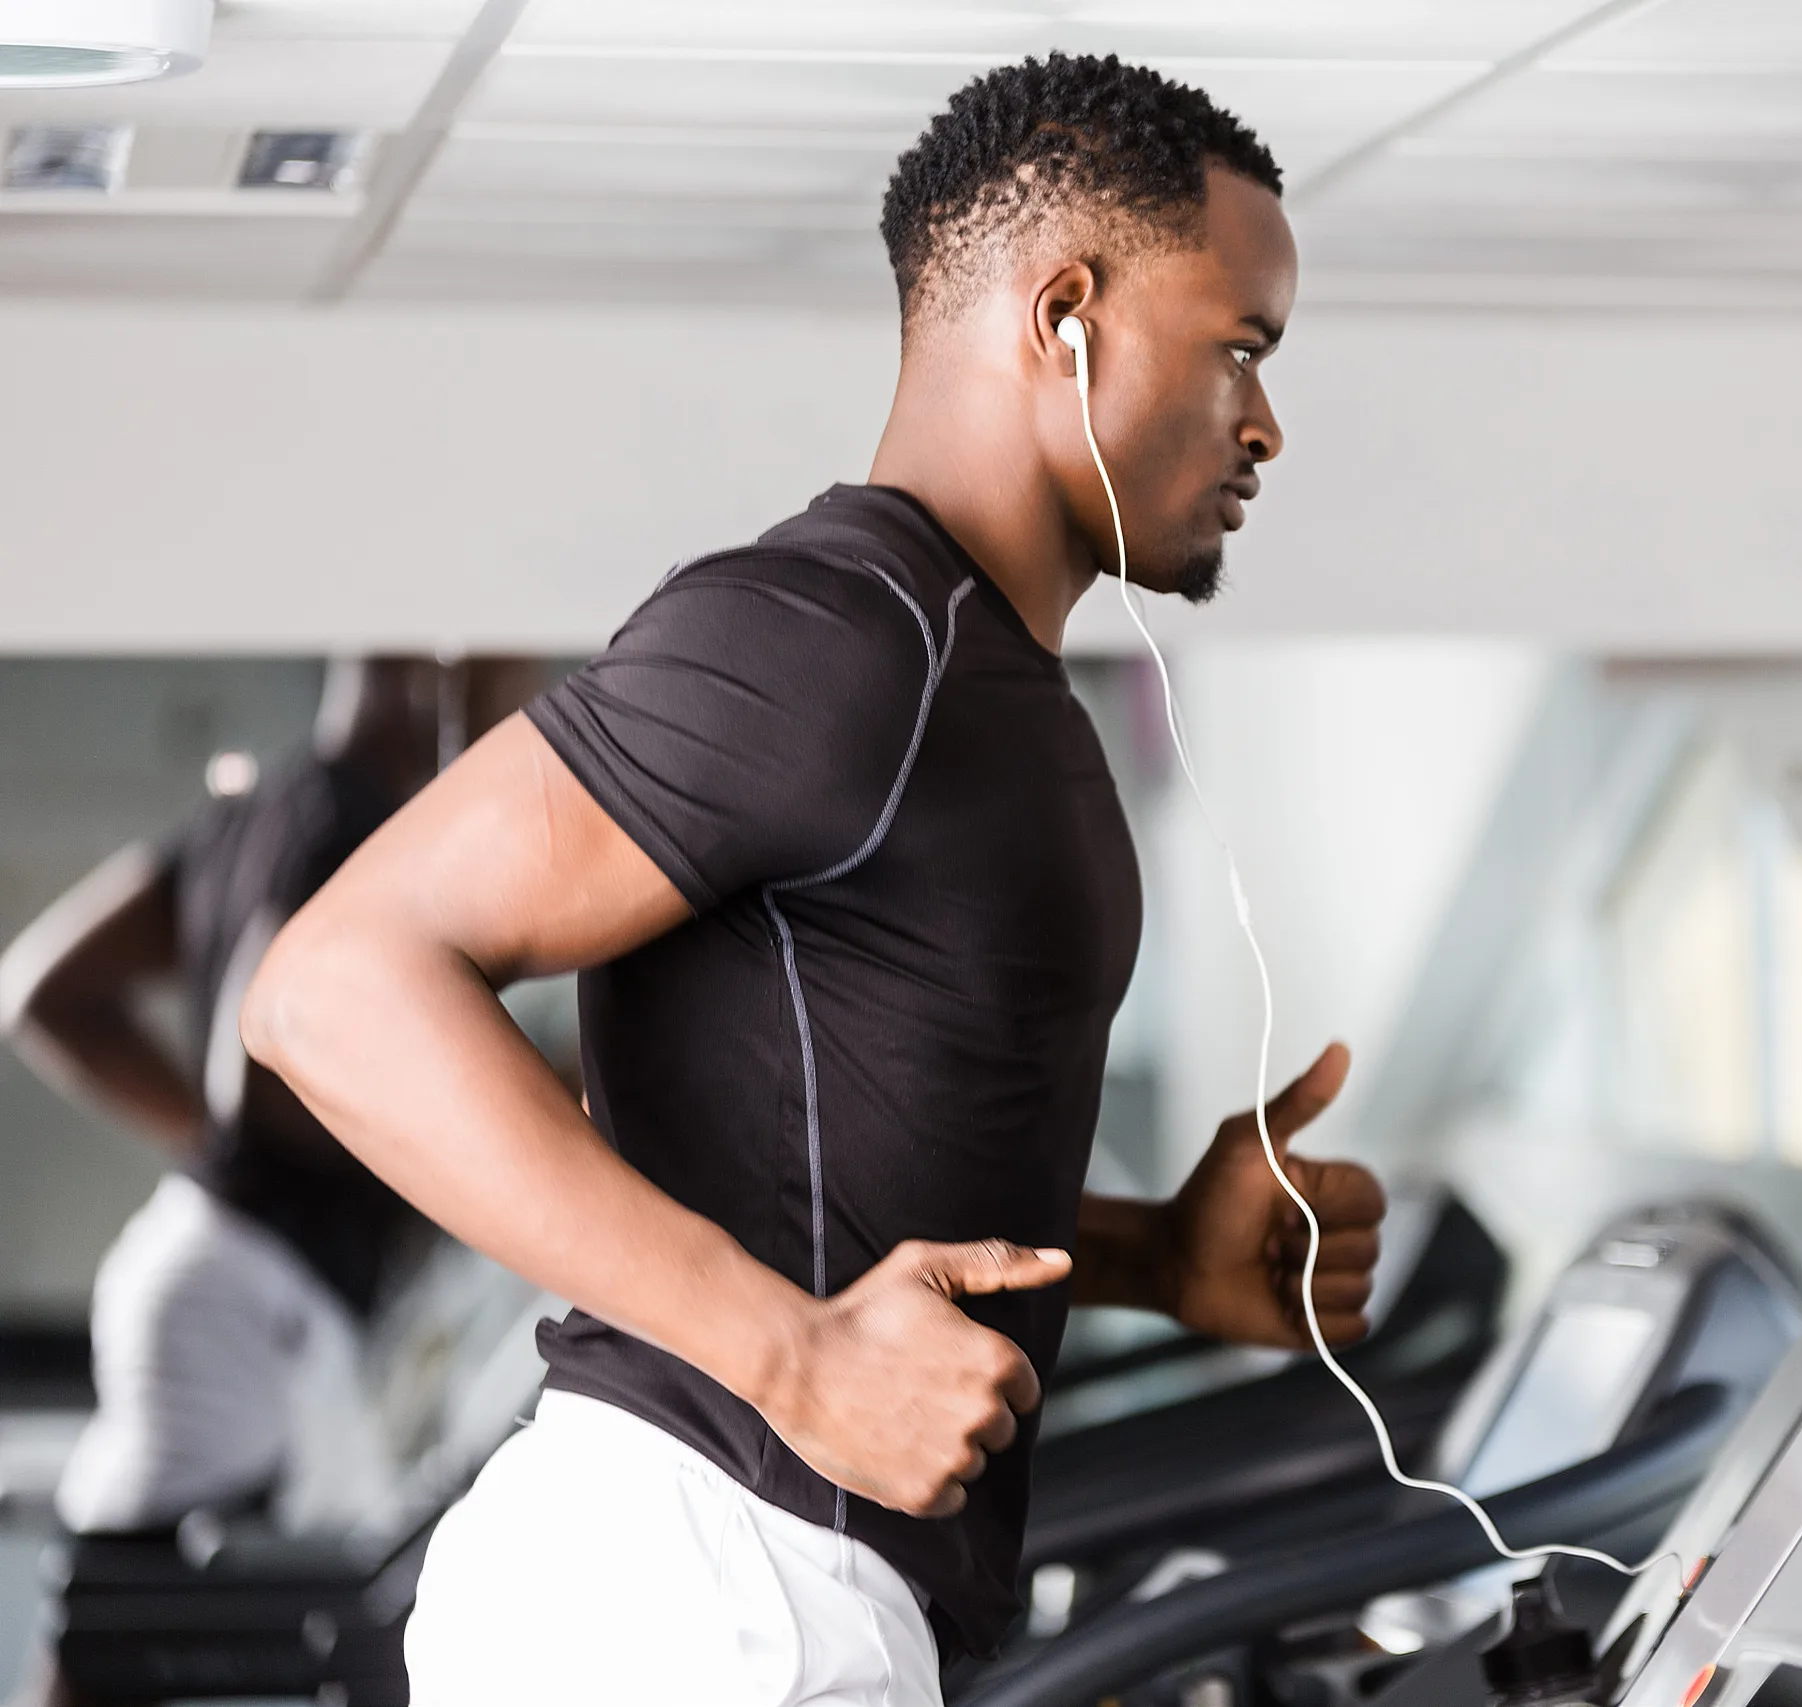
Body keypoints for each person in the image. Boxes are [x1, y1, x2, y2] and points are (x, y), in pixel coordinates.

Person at [242, 52, 1385, 1707]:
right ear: (1065, 313)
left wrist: (1151, 1260)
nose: (1266, 422)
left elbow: (822, 1137)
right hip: (708, 1593)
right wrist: (793, 1355)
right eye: (1239, 351)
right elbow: (333, 988)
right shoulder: (842, 637)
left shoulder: (972, 681)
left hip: (748, 1590)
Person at [0, 655, 542, 1707]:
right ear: (435, 668)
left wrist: (216, 1150)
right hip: (243, 1294)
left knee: (130, 1616)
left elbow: (46, 996)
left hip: (213, 1260)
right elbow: (271, 1046)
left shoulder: (262, 811)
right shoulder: (362, 824)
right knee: (125, 1626)